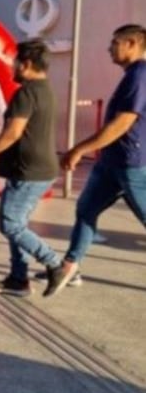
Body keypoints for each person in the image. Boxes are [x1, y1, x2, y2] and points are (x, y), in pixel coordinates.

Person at [49, 24, 146, 292]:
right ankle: (69, 267)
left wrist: (79, 148)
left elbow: (123, 122)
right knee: (86, 210)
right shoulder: (132, 75)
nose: (109, 48)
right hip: (110, 163)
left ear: (132, 44)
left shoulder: (140, 73)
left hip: (129, 164)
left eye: (115, 43)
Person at [0, 39, 68, 298]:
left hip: (28, 171)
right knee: (18, 224)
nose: (12, 67)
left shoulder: (25, 93)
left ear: (25, 64)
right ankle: (18, 279)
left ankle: (55, 264)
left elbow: (13, 132)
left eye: (15, 62)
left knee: (11, 225)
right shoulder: (46, 90)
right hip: (39, 170)